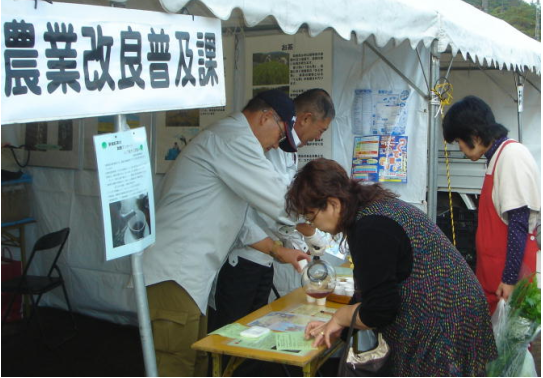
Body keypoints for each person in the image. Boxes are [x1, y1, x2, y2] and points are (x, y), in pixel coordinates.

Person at [143, 90, 310, 377]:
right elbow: (280, 202)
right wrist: (322, 215)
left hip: (190, 275)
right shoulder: (234, 139)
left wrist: (277, 249)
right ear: (264, 117)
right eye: (281, 135)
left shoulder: (233, 142)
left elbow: (240, 220)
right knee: (177, 362)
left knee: (197, 358)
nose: (276, 146)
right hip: (174, 271)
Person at [285, 158, 497, 376]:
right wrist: (337, 325)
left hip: (444, 325)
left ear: (333, 204)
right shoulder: (374, 208)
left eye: (311, 217)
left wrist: (340, 317)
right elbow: (373, 289)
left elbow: (379, 310)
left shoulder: (370, 227)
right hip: (455, 313)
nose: (313, 225)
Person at [210, 89, 336, 332]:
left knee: (255, 331)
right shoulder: (265, 146)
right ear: (306, 118)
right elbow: (273, 207)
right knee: (231, 333)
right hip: (243, 257)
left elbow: (286, 205)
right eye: (321, 130)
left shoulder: (289, 150)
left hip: (267, 256)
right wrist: (312, 234)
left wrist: (300, 243)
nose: (318, 136)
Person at [442, 95, 540, 314]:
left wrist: (510, 279)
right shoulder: (495, 157)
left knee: (508, 346)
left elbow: (518, 221)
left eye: (459, 140)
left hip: (508, 280)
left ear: (475, 136)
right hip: (492, 274)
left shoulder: (512, 155)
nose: (460, 148)